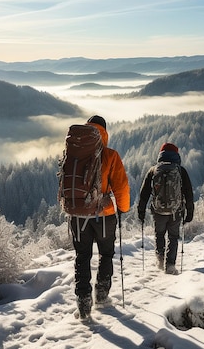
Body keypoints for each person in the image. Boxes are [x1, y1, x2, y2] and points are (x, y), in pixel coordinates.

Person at [70, 115, 130, 318]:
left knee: (82, 257)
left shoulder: (73, 153)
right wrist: (122, 208)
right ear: (104, 133)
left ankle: (83, 304)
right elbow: (121, 187)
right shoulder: (110, 155)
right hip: (103, 215)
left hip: (78, 216)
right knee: (105, 254)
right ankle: (102, 296)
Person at [137, 142, 194, 274]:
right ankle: (170, 265)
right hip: (176, 211)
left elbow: (144, 193)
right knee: (173, 237)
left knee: (159, 234)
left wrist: (141, 211)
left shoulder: (153, 170)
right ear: (176, 155)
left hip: (158, 211)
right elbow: (188, 192)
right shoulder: (180, 170)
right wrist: (190, 211)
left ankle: (160, 259)